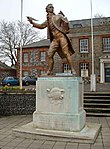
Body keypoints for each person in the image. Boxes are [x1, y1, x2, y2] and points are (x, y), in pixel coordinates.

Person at [28, 4, 76, 76]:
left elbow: (66, 23)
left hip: (61, 37)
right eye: (50, 7)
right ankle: (49, 71)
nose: (52, 8)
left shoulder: (58, 16)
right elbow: (41, 26)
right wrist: (32, 22)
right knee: (49, 55)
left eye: (52, 7)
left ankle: (73, 70)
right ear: (46, 10)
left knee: (66, 53)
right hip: (55, 40)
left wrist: (64, 19)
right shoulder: (47, 21)